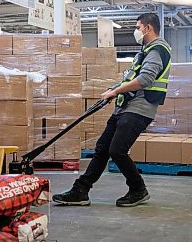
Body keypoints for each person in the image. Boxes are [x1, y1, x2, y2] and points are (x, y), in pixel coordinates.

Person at [52, 13, 172, 207]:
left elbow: (145, 80)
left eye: (138, 27)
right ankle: (80, 190)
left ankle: (138, 189)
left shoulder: (157, 50)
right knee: (102, 149)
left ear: (148, 28)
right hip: (125, 108)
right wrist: (112, 90)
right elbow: (129, 79)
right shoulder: (145, 50)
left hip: (140, 109)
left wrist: (116, 91)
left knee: (117, 150)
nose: (136, 31)